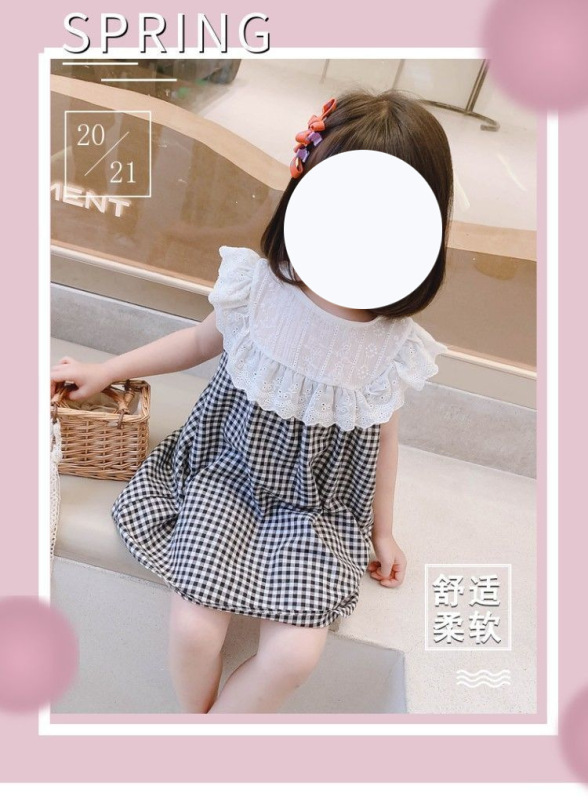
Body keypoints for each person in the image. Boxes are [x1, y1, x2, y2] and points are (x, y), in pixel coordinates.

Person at [50, 89, 453, 714]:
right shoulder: (260, 288)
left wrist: (383, 531)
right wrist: (107, 369)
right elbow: (196, 342)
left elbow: (385, 440)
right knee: (193, 629)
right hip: (226, 478)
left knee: (294, 656)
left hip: (314, 511)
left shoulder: (391, 344)